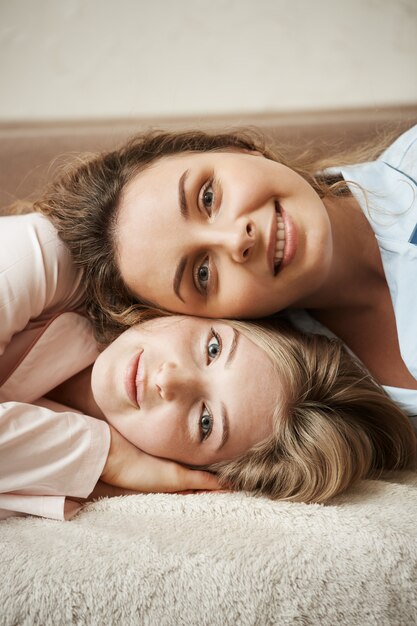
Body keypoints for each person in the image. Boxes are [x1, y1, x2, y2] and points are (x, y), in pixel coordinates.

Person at [1, 214, 415, 521]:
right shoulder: (52, 256)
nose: (168, 379)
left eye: (205, 423)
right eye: (214, 348)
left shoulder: (80, 484)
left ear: (195, 470)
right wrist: (105, 458)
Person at [37, 123, 417, 418]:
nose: (237, 240)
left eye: (207, 197)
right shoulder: (300, 391)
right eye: (202, 274)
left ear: (240, 149)